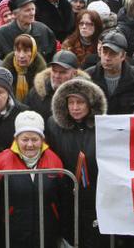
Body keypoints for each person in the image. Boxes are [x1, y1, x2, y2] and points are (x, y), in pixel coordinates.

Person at [0, 110, 69, 248]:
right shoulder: (2, 161)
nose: (30, 144)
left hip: (47, 233)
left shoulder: (54, 160)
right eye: (25, 139)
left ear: (42, 140)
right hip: (12, 235)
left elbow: (63, 200)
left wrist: (64, 231)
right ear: (16, 139)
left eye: (34, 139)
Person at [46, 78, 106, 248]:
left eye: (80, 102)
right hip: (66, 194)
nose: (75, 107)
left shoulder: (102, 125)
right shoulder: (54, 125)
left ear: (90, 104)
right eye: (71, 102)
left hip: (94, 192)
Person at [86, 30, 134, 115]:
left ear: (123, 56)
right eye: (104, 52)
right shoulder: (88, 77)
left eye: (113, 53)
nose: (107, 58)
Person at [25, 50, 88, 120]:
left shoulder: (86, 94)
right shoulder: (36, 93)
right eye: (54, 71)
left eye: (62, 72)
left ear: (74, 73)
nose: (57, 76)